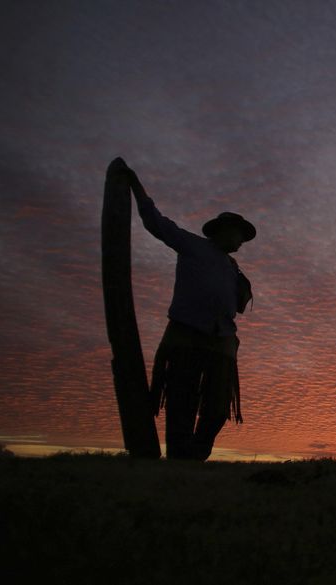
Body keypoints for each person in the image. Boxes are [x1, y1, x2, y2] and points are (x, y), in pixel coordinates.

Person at [110, 158, 255, 461]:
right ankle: (179, 458)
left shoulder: (232, 266)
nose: (241, 240)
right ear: (222, 231)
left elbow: (237, 308)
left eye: (243, 235)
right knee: (181, 400)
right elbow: (155, 222)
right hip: (186, 334)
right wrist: (137, 187)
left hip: (222, 340)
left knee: (216, 407)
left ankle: (196, 454)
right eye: (238, 233)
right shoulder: (192, 245)